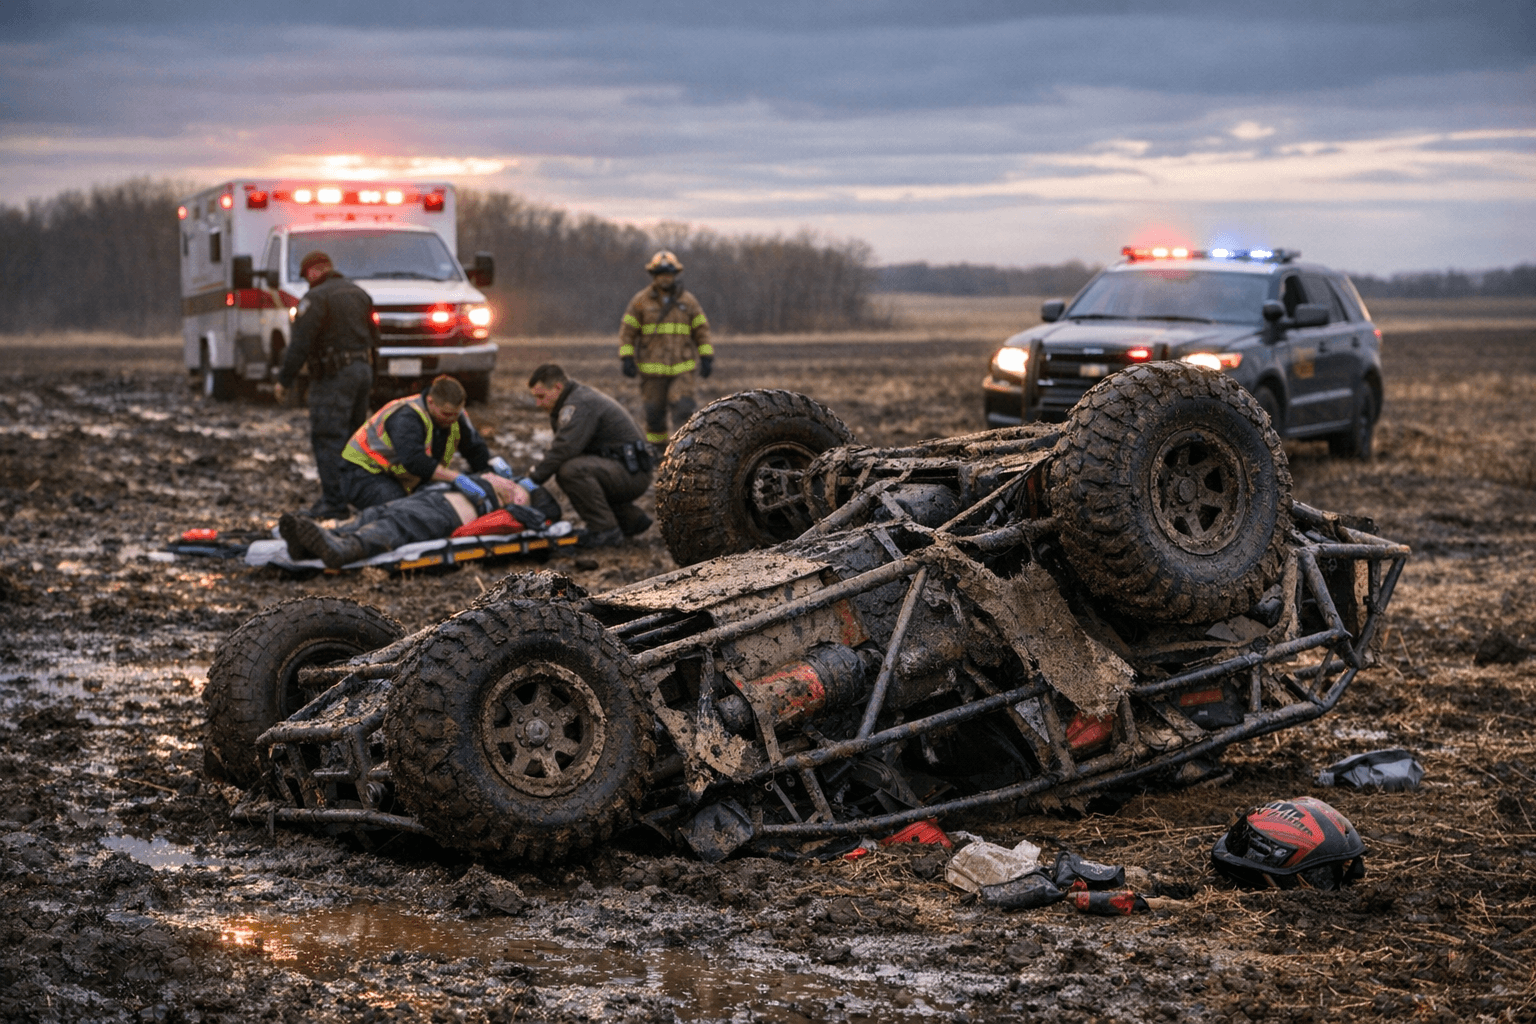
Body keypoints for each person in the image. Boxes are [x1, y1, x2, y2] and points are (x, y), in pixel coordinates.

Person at [273, 251, 380, 519]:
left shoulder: (316, 298)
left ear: (312, 273)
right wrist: (371, 375)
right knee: (354, 441)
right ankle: (356, 496)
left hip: (334, 376)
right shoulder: (359, 293)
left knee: (328, 438)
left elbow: (300, 344)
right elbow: (375, 337)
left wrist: (285, 380)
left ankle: (334, 503)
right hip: (362, 372)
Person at [279, 472, 562, 569]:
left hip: (444, 513)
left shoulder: (525, 503)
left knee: (392, 527)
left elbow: (507, 516)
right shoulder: (512, 485)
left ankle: (342, 549)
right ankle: (312, 543)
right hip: (433, 498)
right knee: (375, 514)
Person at [526, 363, 653, 547]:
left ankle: (605, 531)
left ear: (557, 387)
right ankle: (629, 519)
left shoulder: (579, 404)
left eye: (541, 396)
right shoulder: (572, 399)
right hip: (624, 468)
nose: (538, 403)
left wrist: (531, 480)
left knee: (571, 471)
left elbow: (563, 449)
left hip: (632, 473)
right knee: (576, 467)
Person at [338, 374, 504, 511]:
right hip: (362, 473)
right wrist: (457, 478)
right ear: (431, 401)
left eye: (456, 414)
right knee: (402, 512)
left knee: (433, 504)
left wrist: (490, 473)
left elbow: (474, 449)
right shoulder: (406, 416)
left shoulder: (455, 415)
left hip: (395, 475)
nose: (452, 420)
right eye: (446, 414)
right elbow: (414, 461)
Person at [618, 250, 714, 447]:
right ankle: (658, 453)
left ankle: (684, 451)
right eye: (661, 274)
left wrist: (706, 356)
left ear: (675, 275)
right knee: (654, 414)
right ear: (654, 275)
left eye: (668, 274)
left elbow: (701, 330)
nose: (665, 278)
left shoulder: (688, 302)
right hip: (651, 370)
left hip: (682, 369)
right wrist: (626, 358)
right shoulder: (640, 301)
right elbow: (628, 331)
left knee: (684, 409)